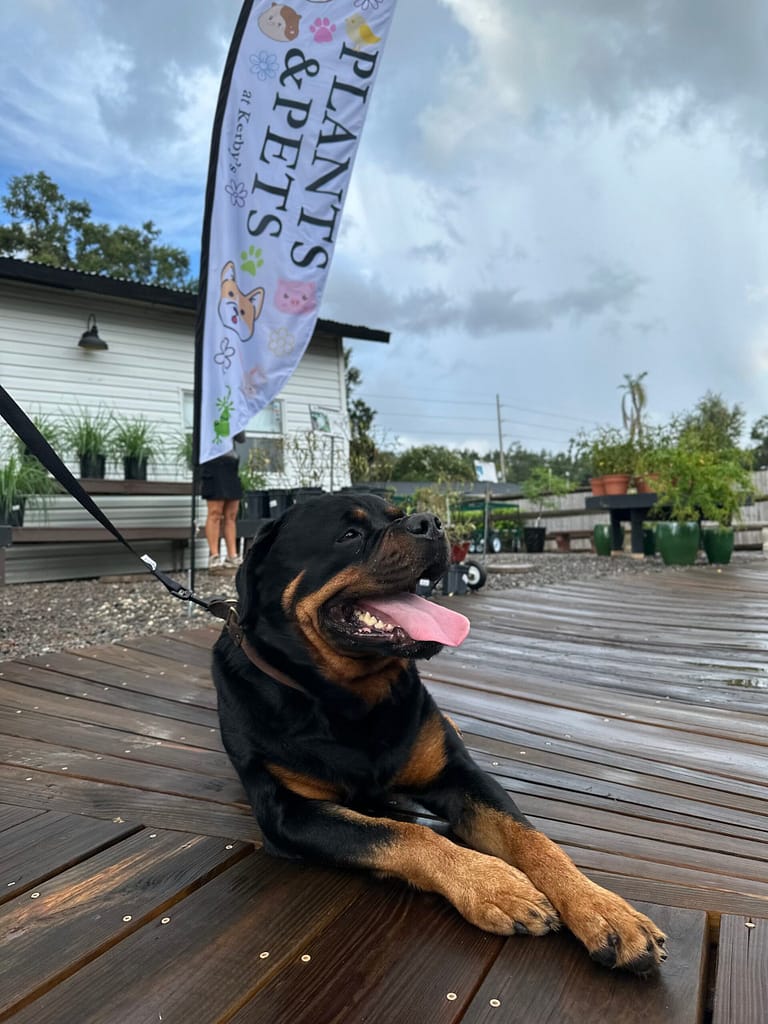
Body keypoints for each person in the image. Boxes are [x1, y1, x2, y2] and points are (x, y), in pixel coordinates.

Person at [200, 430, 246, 572]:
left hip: (231, 464)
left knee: (231, 515)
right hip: (212, 462)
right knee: (215, 512)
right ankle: (214, 557)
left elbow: (241, 438)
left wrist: (235, 423)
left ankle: (232, 556)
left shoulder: (232, 417)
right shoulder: (207, 418)